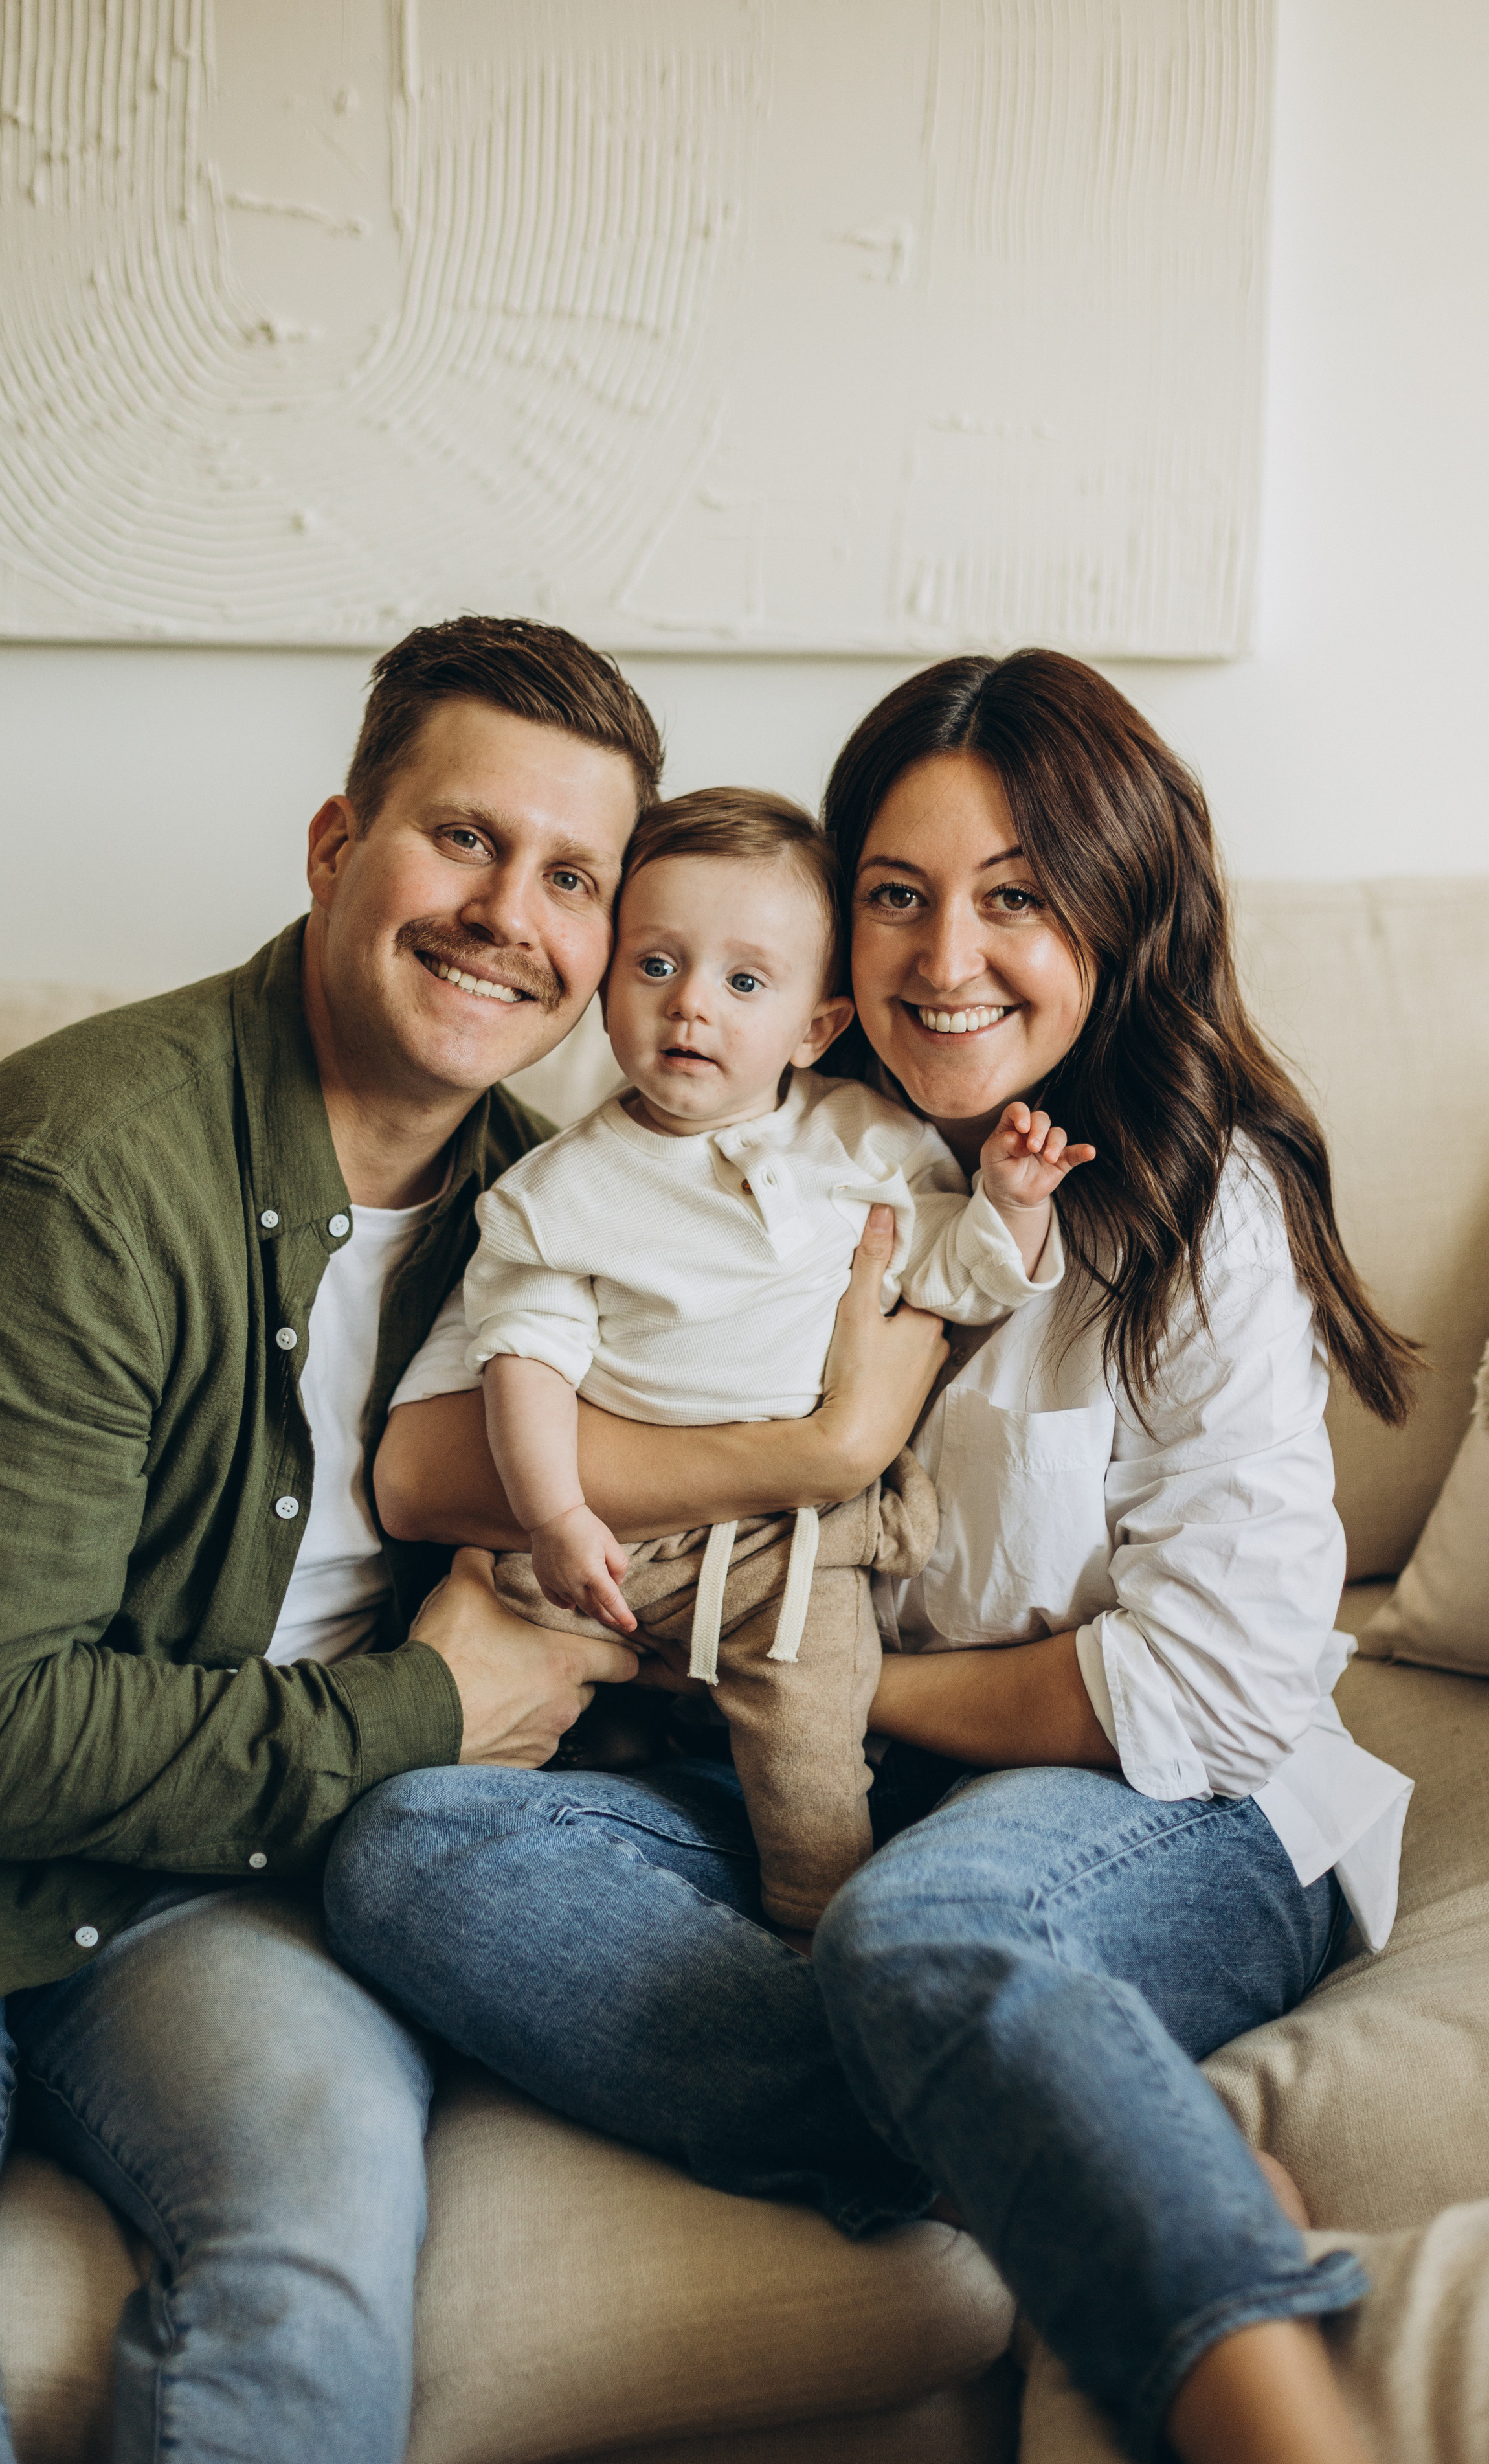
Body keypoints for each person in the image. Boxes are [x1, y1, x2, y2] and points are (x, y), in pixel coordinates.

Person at [0, 618, 948, 2464]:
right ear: (332, 848)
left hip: (220, 1888)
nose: (507, 914)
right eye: (463, 840)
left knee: (316, 2287)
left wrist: (835, 1445)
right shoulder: (73, 1181)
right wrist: (422, 1715)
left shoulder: (548, 1200)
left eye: (572, 878)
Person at [326, 650, 1418, 2464]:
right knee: (410, 1850)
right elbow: (431, 1465)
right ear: (831, 964)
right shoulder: (761, 1136)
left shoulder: (1194, 1196)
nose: (944, 958)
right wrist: (802, 1464)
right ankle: (1087, 2133)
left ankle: (1267, 2406)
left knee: (927, 1925)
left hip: (1161, 1806)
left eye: (1014, 900)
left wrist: (785, 1669)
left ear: (1118, 913)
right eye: (897, 900)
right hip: (804, 1776)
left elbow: (1214, 1691)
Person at [379, 786, 1092, 1928]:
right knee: (456, 1759)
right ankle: (516, 1855)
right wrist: (556, 1517)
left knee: (810, 1734)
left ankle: (817, 1914)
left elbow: (949, 1283)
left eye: (744, 983)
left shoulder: (867, 1140)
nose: (691, 1008)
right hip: (606, 1543)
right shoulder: (559, 1192)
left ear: (816, 1026)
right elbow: (524, 1361)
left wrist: (1009, 1207)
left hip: (787, 1552)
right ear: (608, 982)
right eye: (656, 966)